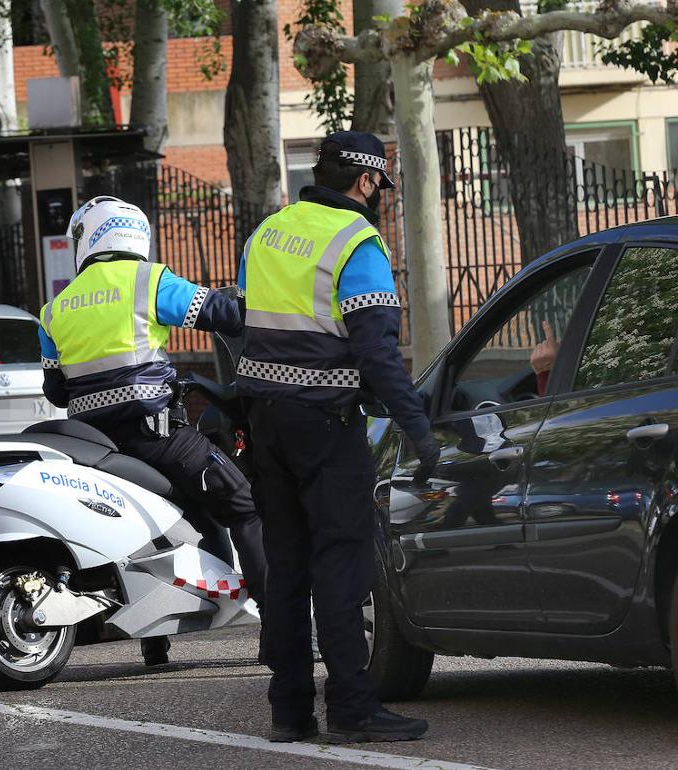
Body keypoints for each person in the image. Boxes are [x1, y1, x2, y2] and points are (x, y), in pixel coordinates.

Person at [236, 132, 438, 743]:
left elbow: (245, 325)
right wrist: (419, 428)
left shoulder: (267, 233)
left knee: (288, 568)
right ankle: (353, 707)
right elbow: (376, 352)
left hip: (265, 423)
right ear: (367, 181)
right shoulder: (358, 243)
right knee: (342, 565)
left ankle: (289, 710)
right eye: (381, 187)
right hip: (325, 425)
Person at [37, 195, 267, 666]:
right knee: (244, 505)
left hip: (92, 447)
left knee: (156, 525)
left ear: (86, 238)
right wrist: (242, 296)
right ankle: (282, 630)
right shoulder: (148, 280)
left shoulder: (55, 308)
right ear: (135, 233)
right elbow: (224, 317)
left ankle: (154, 645)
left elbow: (57, 390)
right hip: (156, 436)